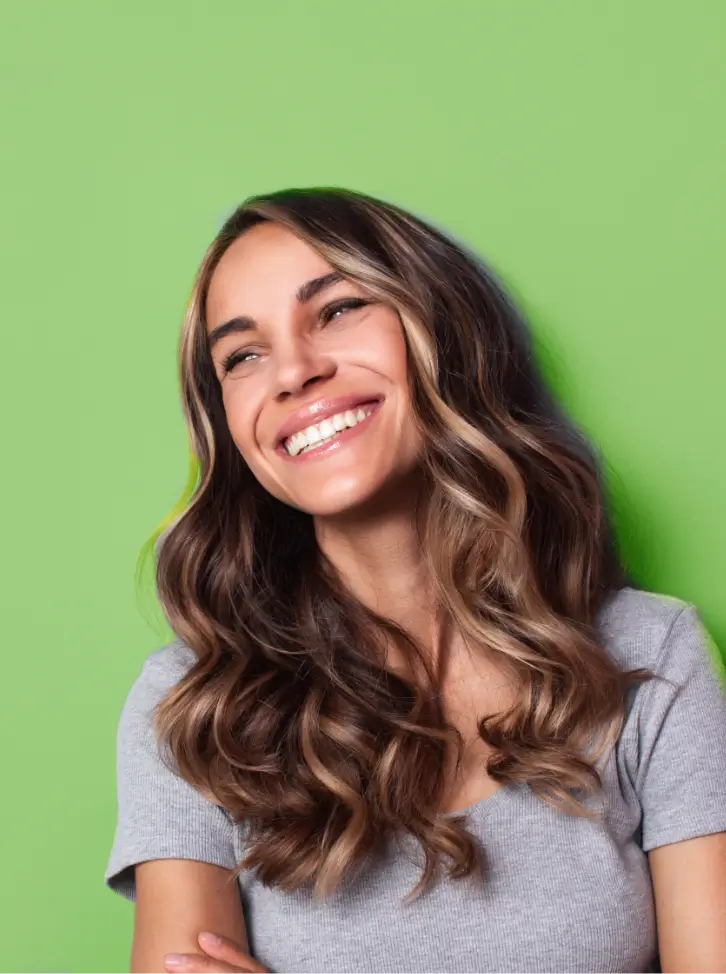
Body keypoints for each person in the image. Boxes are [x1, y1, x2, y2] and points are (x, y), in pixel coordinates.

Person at [104, 187, 726, 974]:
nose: (293, 371)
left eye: (336, 310)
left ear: (443, 330)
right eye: (243, 356)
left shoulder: (653, 658)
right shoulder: (195, 711)